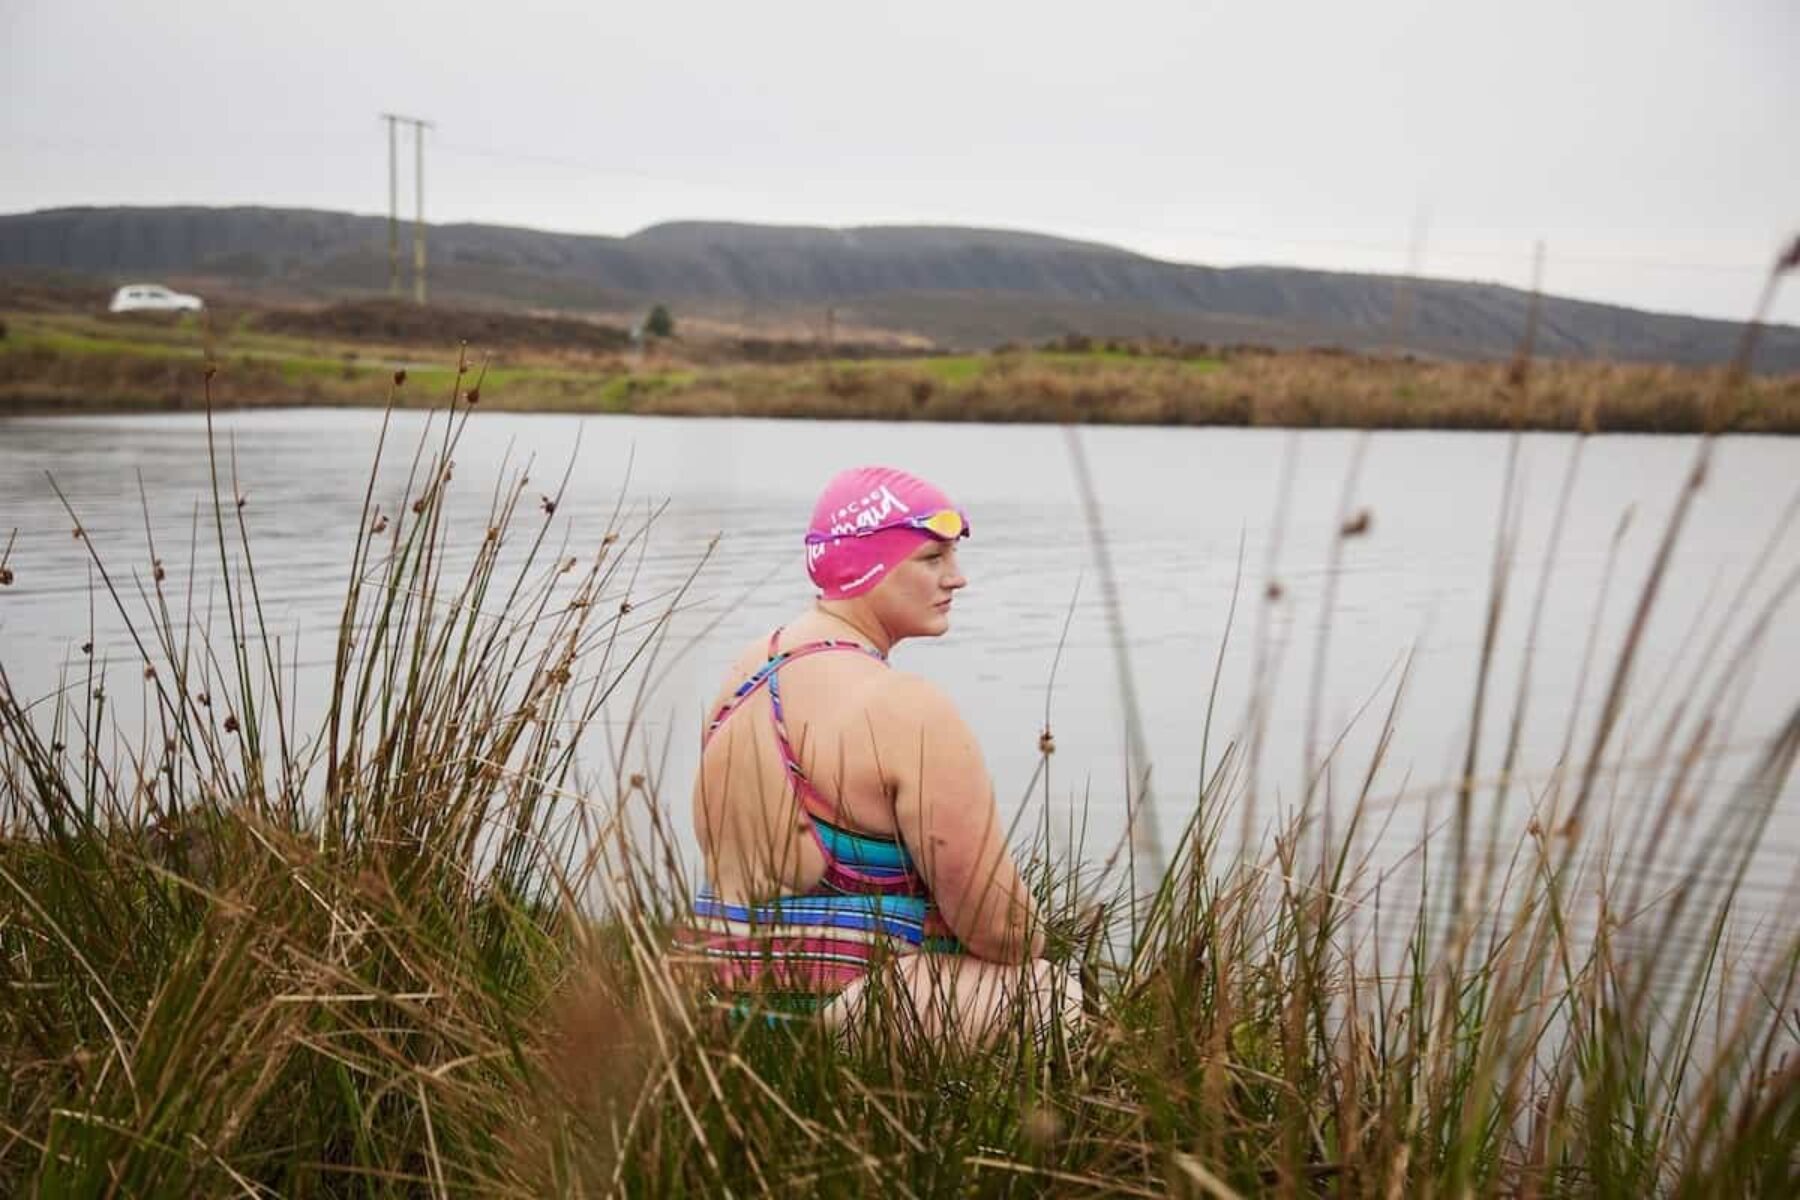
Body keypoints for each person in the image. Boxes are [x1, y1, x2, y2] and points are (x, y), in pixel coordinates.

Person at [674, 465, 1080, 1047]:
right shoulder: (906, 708)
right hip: (837, 1019)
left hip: (710, 1000)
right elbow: (1000, 930)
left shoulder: (744, 676)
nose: (957, 579)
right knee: (1050, 992)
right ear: (871, 564)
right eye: (932, 558)